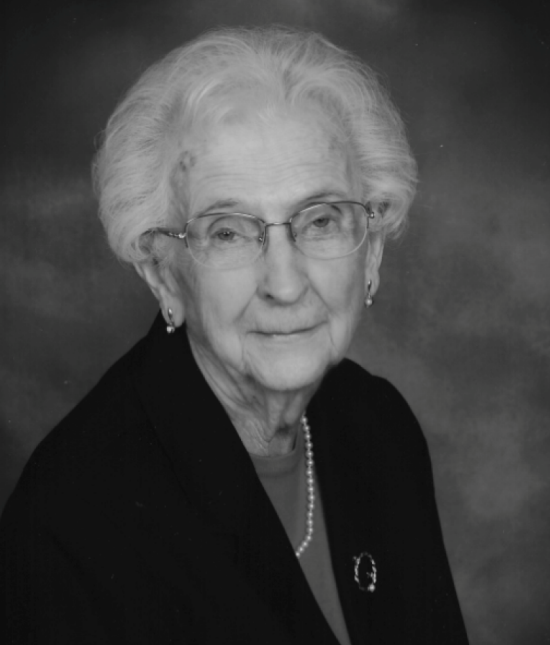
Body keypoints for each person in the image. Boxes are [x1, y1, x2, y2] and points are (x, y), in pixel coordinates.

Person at [0, 26, 469, 645]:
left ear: (372, 250)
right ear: (163, 273)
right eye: (227, 232)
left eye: (320, 220)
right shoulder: (71, 523)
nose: (285, 283)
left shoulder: (379, 427)